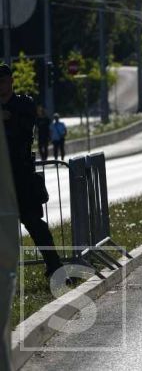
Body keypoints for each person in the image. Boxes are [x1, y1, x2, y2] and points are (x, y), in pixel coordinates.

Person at [0, 64, 64, 278]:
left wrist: (9, 120)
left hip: (21, 175)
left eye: (3, 81)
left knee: (34, 223)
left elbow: (26, 131)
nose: (0, 86)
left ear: (11, 81)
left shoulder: (24, 103)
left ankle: (55, 267)